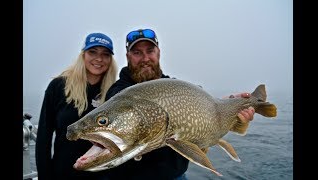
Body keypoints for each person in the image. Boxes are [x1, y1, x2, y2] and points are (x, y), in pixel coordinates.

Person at [102, 28, 255, 180]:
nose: (145, 58)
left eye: (150, 51)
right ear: (128, 56)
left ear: (159, 53)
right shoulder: (117, 93)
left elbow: (205, 106)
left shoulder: (177, 87)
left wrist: (231, 101)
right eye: (137, 53)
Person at [35, 32, 118, 180]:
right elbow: (43, 138)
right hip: (63, 173)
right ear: (83, 54)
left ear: (111, 60)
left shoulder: (115, 92)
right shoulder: (59, 87)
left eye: (105, 54)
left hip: (104, 174)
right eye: (93, 52)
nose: (99, 59)